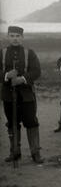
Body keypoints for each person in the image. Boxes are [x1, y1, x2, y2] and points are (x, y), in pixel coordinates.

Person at [1, 26, 44, 163]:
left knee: (31, 122)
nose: (15, 39)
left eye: (18, 36)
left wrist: (23, 79)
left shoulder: (29, 53)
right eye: (12, 36)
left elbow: (36, 71)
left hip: (26, 95)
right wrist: (6, 75)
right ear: (8, 36)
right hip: (8, 95)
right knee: (12, 123)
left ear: (22, 38)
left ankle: (35, 153)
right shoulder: (2, 53)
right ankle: (15, 152)